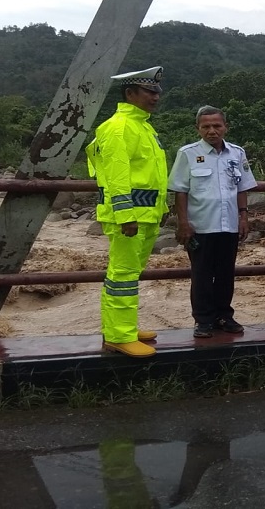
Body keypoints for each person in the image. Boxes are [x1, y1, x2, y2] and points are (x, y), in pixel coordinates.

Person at [86, 66, 169, 358]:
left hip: (145, 214)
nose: (155, 97)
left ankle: (125, 328)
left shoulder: (142, 126)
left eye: (157, 92)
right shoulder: (119, 127)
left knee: (129, 274)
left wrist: (163, 208)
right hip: (130, 217)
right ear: (130, 93)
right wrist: (125, 216)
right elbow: (116, 176)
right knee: (122, 275)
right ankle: (119, 336)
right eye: (149, 92)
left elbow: (151, 174)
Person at [169, 106, 257, 337]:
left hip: (228, 225)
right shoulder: (187, 153)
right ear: (198, 128)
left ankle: (224, 316)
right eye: (206, 126)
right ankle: (203, 320)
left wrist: (243, 216)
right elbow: (180, 191)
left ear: (225, 127)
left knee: (226, 273)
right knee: (201, 274)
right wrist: (183, 222)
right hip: (200, 225)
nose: (212, 131)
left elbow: (242, 187)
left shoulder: (237, 153)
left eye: (217, 126)